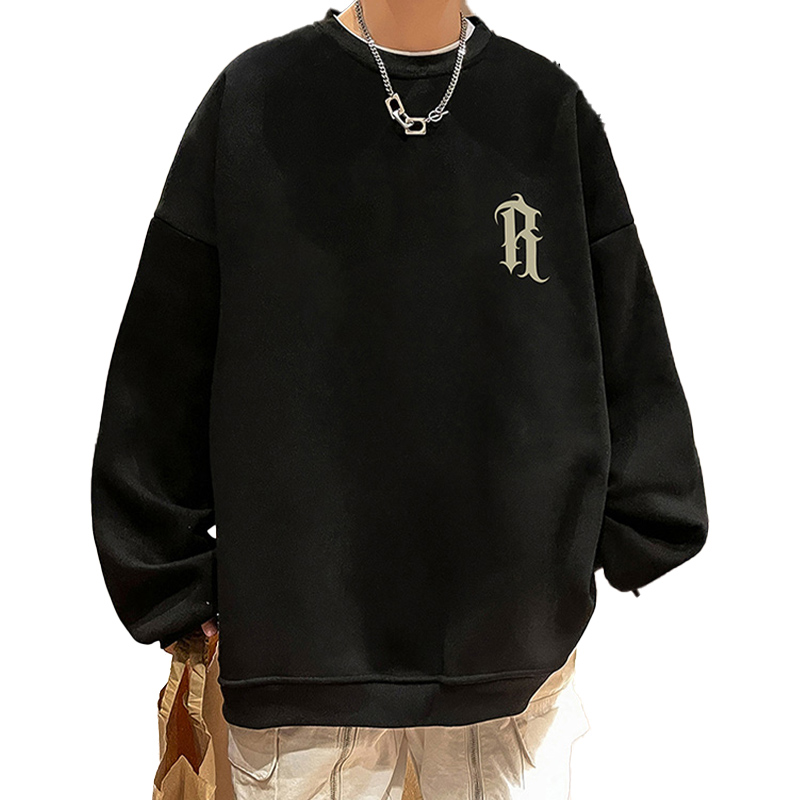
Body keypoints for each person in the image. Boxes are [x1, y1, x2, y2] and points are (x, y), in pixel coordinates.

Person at [90, 1, 709, 797]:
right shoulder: (254, 101)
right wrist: (167, 581)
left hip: (509, 665)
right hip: (302, 665)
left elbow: (627, 343)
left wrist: (620, 531)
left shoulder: (545, 111)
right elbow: (160, 364)